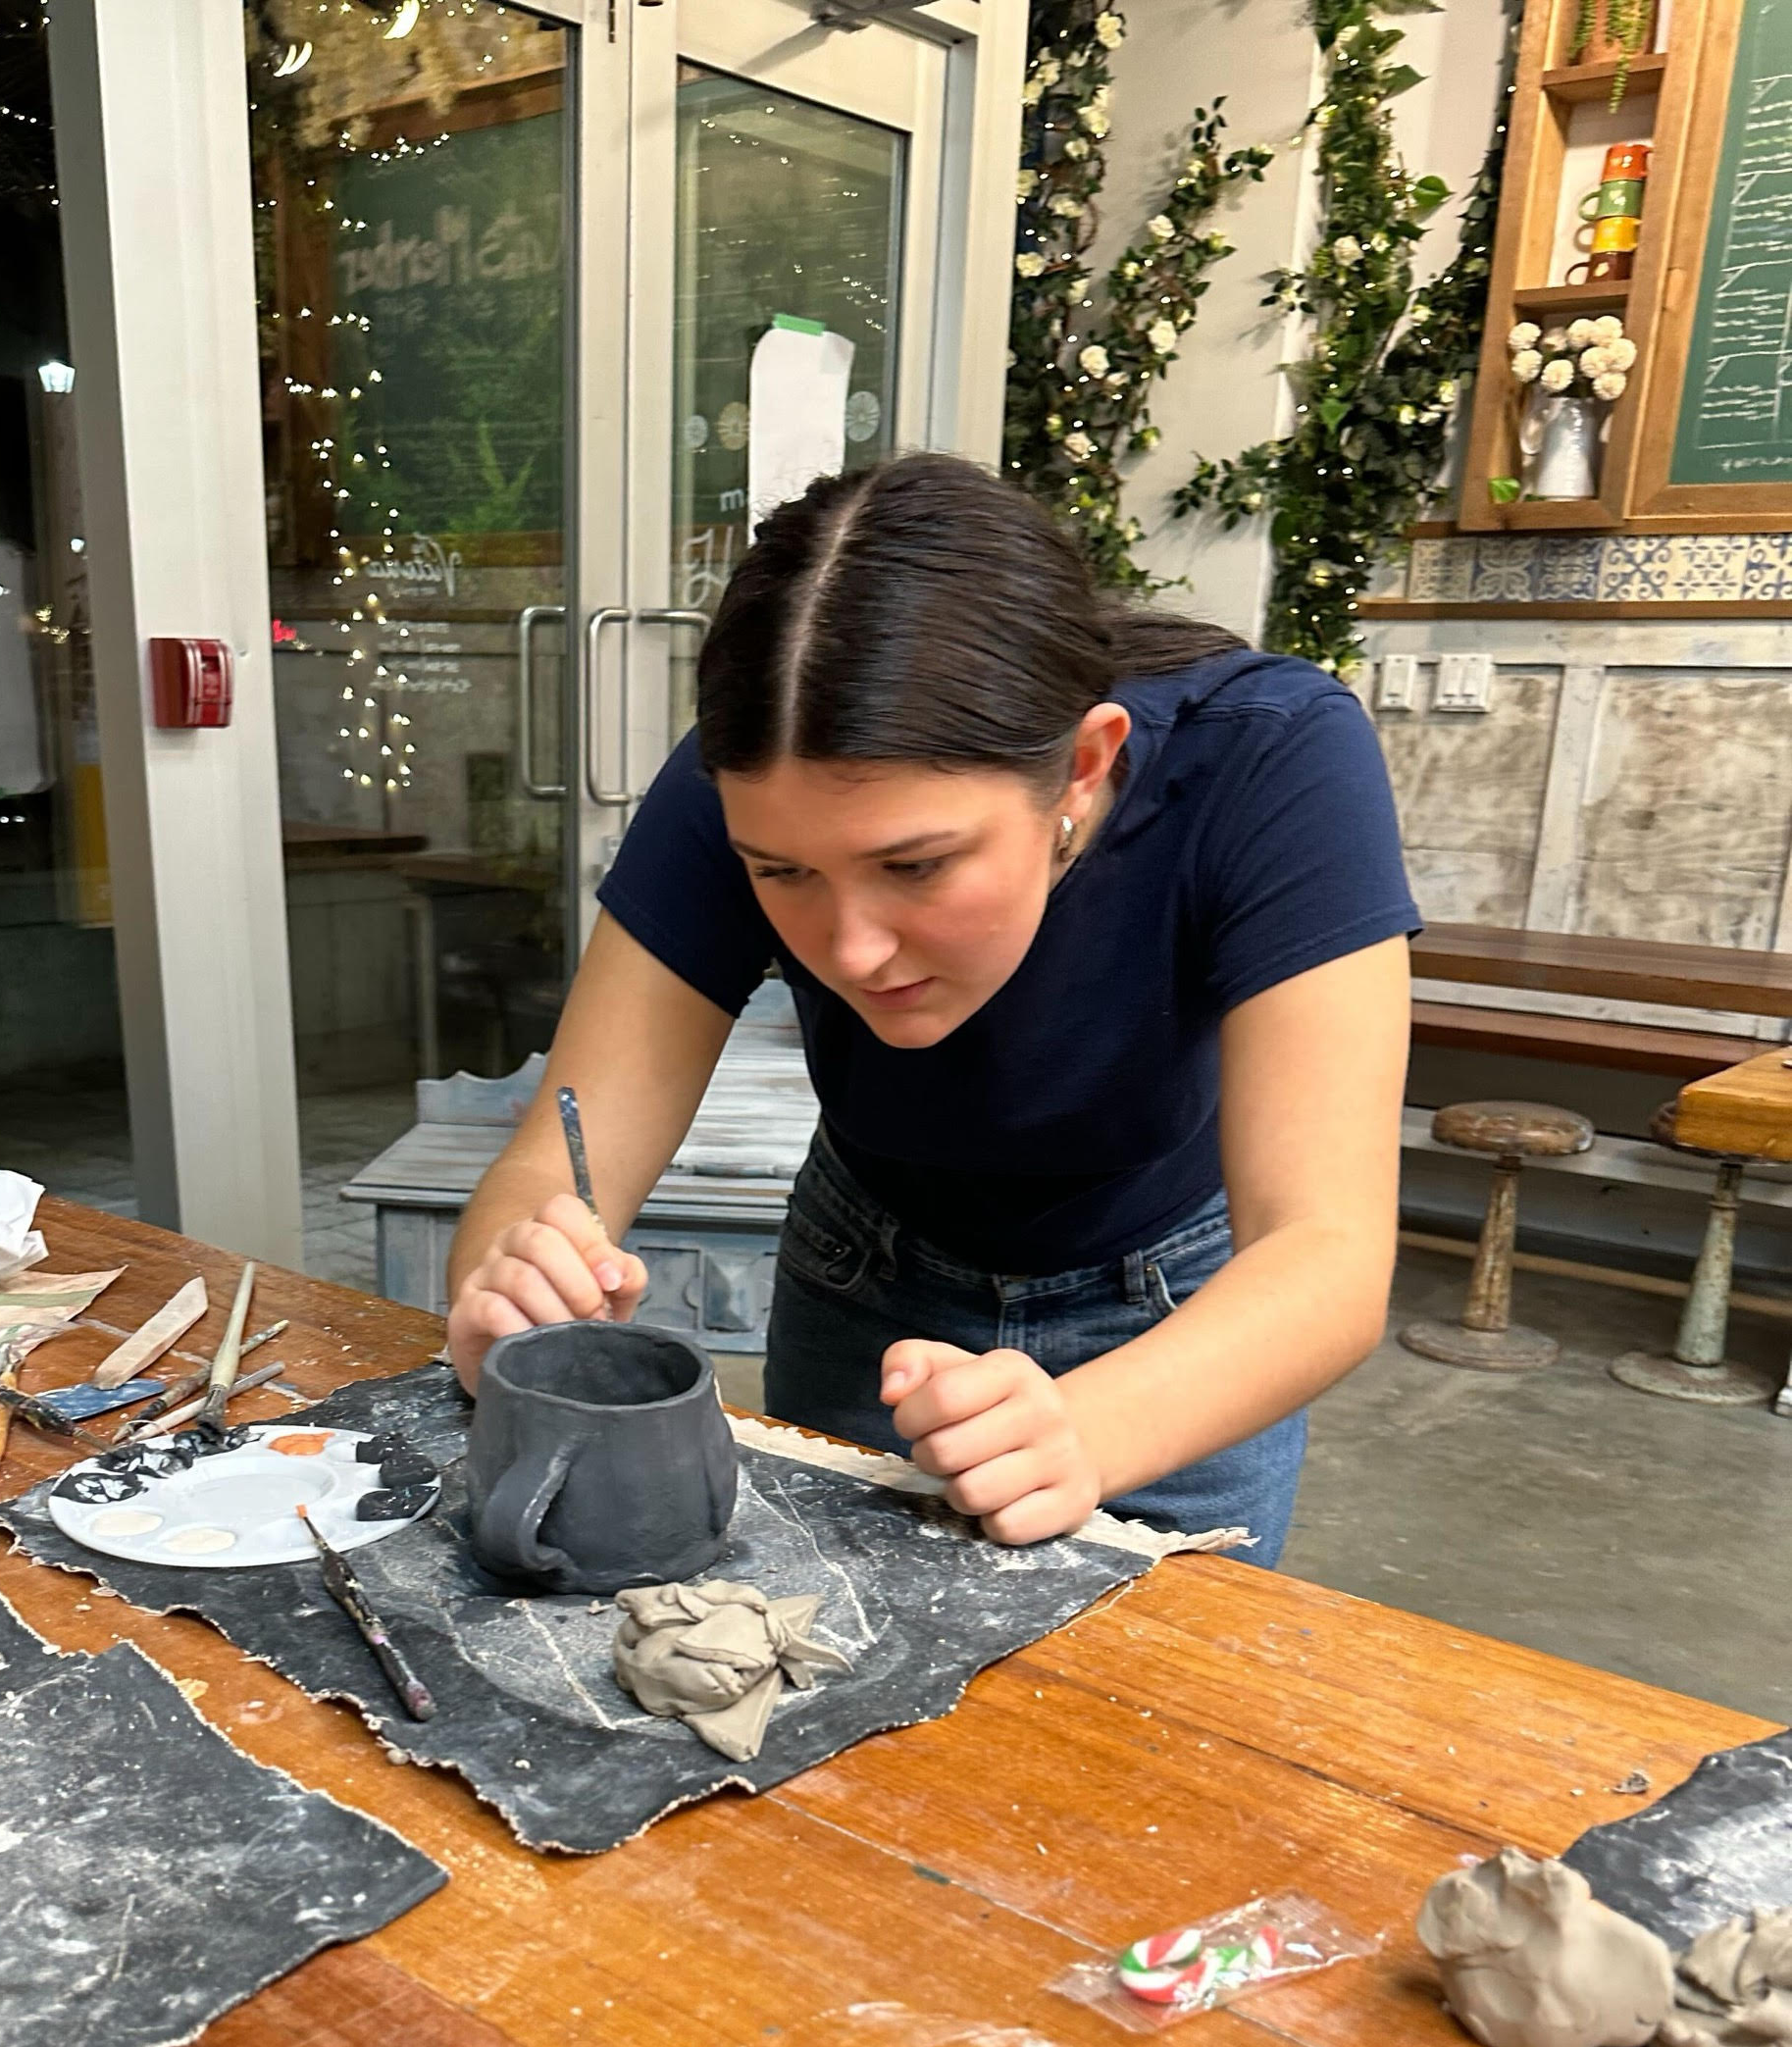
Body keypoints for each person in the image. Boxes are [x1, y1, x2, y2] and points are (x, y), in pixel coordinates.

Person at [445, 455, 1416, 1563]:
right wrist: (506, 1286)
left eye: (915, 866)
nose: (852, 953)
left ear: (1087, 768)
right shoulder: (747, 782)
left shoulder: (1271, 757)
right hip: (868, 1273)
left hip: (1188, 1319)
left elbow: (1327, 1252)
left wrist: (1091, 1429)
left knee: (1146, 1720)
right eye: (783, 875)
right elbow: (556, 1161)